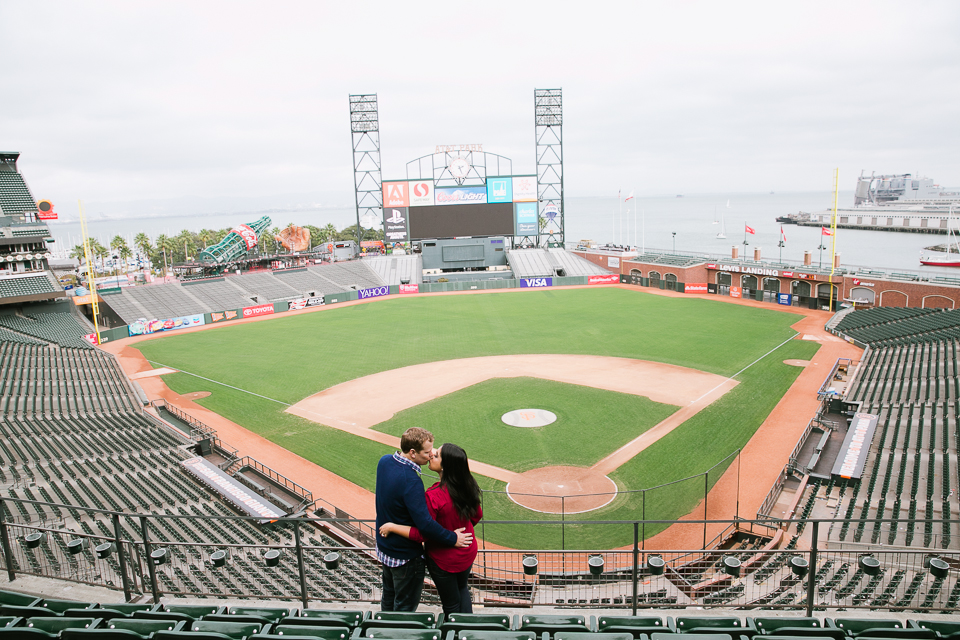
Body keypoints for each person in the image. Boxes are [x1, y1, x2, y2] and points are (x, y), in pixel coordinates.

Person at [376, 427, 472, 611]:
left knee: (388, 599)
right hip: (405, 556)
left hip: (384, 549)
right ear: (413, 453)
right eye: (427, 452)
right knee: (404, 608)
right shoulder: (412, 481)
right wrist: (453, 538)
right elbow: (425, 526)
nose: (430, 455)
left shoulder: (384, 461)